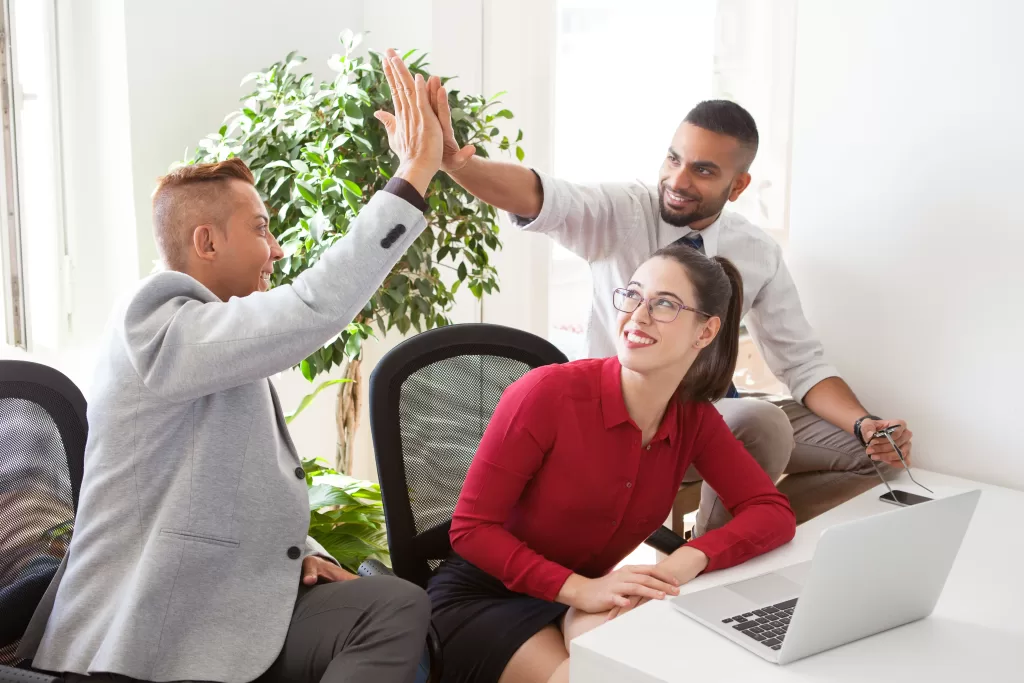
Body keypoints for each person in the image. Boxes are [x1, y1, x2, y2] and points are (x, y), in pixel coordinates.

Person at [16, 49, 439, 683]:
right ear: (206, 241)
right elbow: (314, 308)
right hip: (151, 632)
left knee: (391, 607)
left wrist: (303, 552)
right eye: (261, 229)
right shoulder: (153, 320)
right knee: (391, 611)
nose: (276, 248)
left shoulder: (210, 335)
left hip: (225, 600)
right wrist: (413, 172)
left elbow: (227, 487)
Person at [424, 80, 913, 529]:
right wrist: (458, 165)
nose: (678, 180)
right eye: (673, 159)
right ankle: (715, 569)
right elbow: (541, 196)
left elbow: (802, 361)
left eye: (703, 170)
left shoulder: (757, 252)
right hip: (626, 421)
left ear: (738, 185)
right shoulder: (623, 213)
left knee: (873, 454)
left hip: (711, 410)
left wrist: (863, 423)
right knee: (760, 422)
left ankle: (730, 541)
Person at [427, 245, 797, 683]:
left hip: (582, 595)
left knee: (654, 668)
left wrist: (685, 559)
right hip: (485, 596)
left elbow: (771, 512)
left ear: (706, 331)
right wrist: (584, 589)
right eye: (634, 296)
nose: (638, 316)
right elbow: (470, 530)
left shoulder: (692, 418)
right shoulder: (547, 394)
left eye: (664, 304)